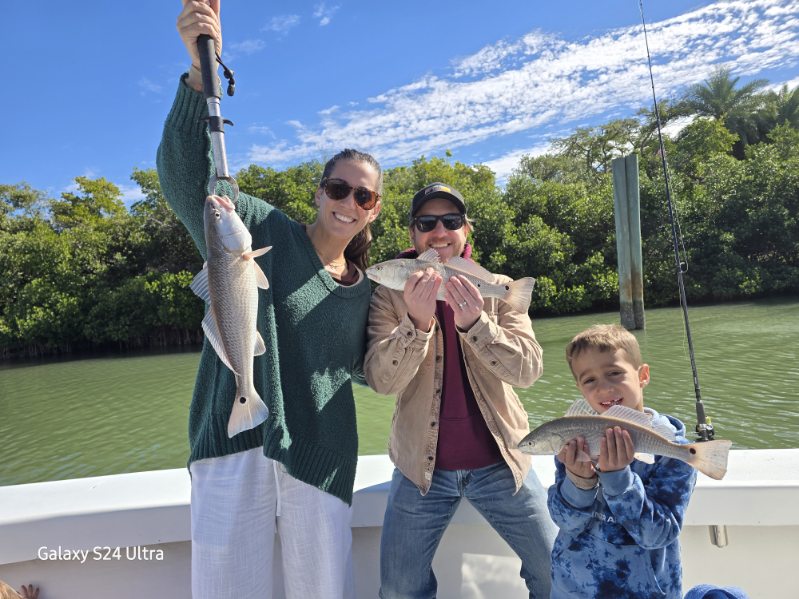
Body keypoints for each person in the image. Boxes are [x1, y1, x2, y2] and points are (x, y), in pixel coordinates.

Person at [158, 2, 382, 597]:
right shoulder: (258, 226)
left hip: (321, 454)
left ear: (374, 209)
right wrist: (200, 74)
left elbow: (375, 372)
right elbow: (185, 178)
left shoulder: (370, 289)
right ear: (319, 192)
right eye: (337, 188)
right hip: (230, 438)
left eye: (362, 196)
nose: (348, 202)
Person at [364, 182, 556, 598]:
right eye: (426, 223)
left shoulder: (500, 287)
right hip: (420, 471)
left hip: (503, 463)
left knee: (557, 572)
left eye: (450, 221)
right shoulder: (388, 295)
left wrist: (477, 324)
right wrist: (415, 323)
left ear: (466, 229)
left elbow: (529, 370)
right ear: (413, 234)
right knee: (398, 590)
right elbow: (382, 381)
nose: (439, 231)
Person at [547, 324, 698, 598]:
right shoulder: (574, 442)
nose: (604, 387)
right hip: (570, 588)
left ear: (643, 375)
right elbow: (564, 521)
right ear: (580, 389)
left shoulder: (673, 453)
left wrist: (619, 480)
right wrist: (578, 482)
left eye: (614, 373)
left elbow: (657, 535)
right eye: (589, 380)